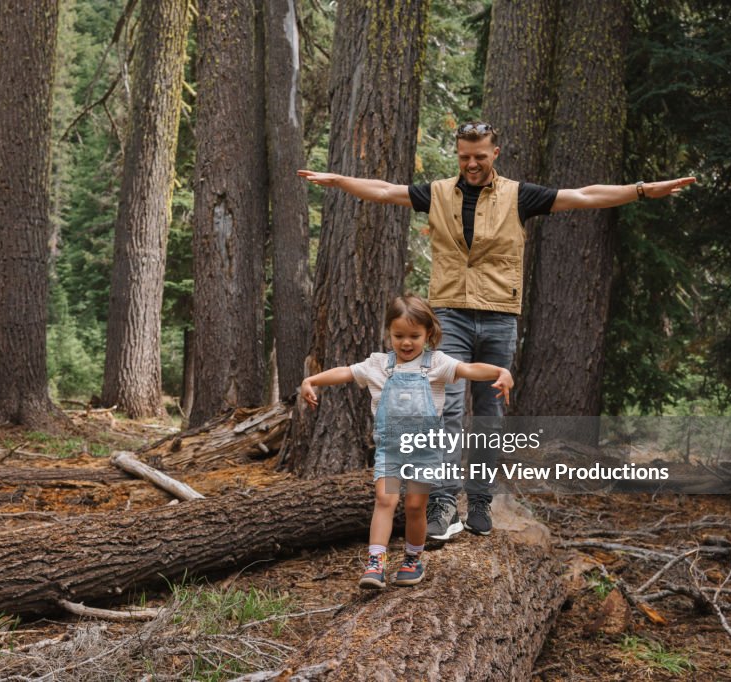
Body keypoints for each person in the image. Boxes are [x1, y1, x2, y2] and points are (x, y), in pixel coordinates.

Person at [298, 121, 696, 541]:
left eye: (480, 156)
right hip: (448, 313)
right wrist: (339, 180)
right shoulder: (436, 194)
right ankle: (444, 502)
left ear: (495, 154)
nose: (471, 164)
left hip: (499, 315)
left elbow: (582, 197)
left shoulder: (518, 195)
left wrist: (642, 190)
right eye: (464, 156)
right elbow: (383, 190)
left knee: (490, 412)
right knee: (446, 409)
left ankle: (482, 498)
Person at [301, 294, 513, 589]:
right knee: (385, 500)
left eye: (414, 336)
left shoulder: (436, 363)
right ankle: (376, 562)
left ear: (428, 333)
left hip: (424, 452)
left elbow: (469, 369)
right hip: (390, 450)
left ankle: (413, 559)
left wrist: (500, 371)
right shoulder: (378, 365)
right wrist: (311, 381)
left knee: (415, 506)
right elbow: (346, 373)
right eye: (398, 335)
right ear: (389, 332)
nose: (406, 343)